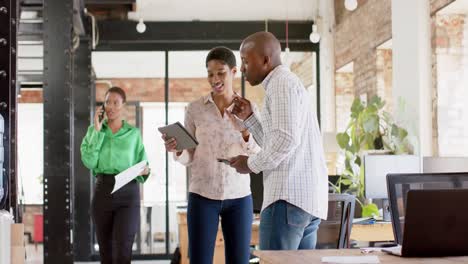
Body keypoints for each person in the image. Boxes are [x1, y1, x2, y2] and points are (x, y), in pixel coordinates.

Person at [228, 31, 329, 250]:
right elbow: (277, 142)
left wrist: (250, 164)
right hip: (304, 203)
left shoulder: (281, 84)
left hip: (286, 200)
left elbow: (285, 139)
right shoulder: (289, 83)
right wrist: (250, 118)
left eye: (245, 61)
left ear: (266, 60)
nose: (243, 68)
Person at [162, 47, 259, 264]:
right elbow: (190, 155)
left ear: (234, 72)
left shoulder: (249, 108)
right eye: (210, 73)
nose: (214, 79)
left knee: (239, 261)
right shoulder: (195, 109)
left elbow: (257, 154)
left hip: (239, 197)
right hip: (202, 195)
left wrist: (244, 129)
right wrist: (178, 149)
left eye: (221, 72)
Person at [81, 87, 150, 264]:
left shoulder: (133, 134)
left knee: (123, 250)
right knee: (106, 251)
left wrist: (145, 170)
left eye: (115, 102)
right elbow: (89, 162)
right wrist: (97, 132)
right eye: (107, 102)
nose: (110, 106)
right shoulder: (94, 131)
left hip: (128, 192)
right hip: (103, 190)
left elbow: (144, 163)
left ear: (123, 106)